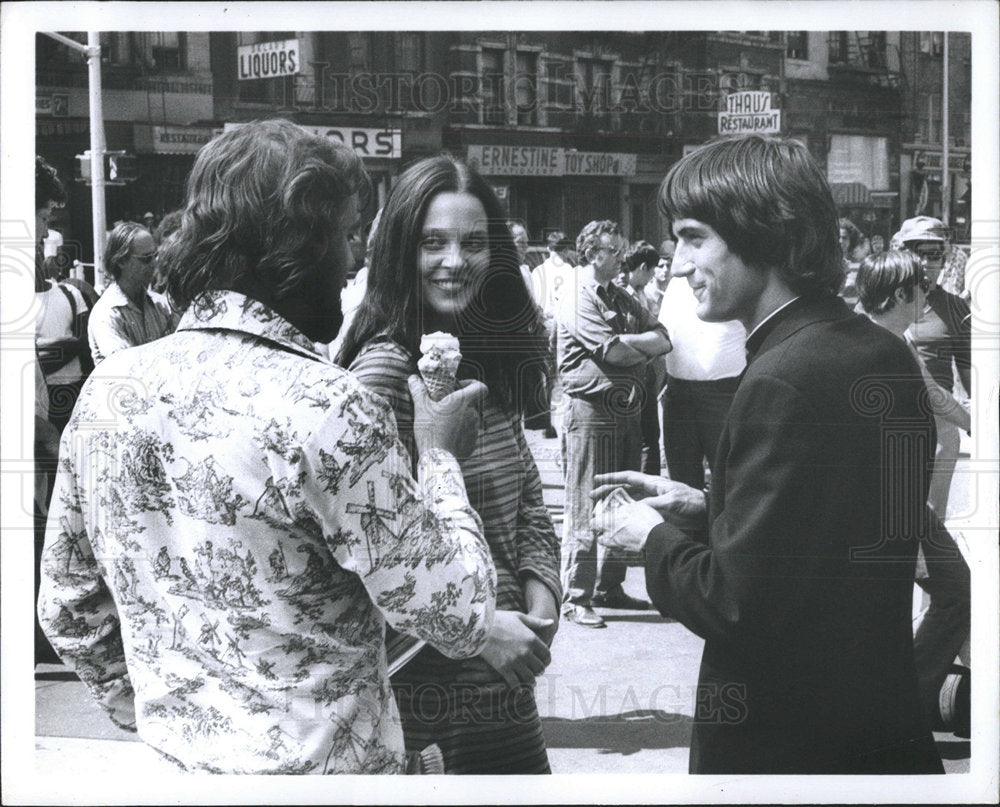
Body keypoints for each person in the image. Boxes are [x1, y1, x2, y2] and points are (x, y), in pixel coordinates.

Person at [38, 120, 499, 775]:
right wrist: (441, 456)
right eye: (344, 235)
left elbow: (68, 608)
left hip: (177, 772)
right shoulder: (327, 406)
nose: (357, 259)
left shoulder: (110, 391)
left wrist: (180, 721)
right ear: (297, 246)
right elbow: (461, 614)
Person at [591, 135, 942, 774]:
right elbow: (832, 539)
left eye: (696, 238)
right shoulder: (880, 355)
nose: (676, 264)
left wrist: (649, 538)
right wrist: (707, 509)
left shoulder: (781, 378)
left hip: (784, 745)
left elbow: (739, 604)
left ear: (762, 231)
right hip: (876, 731)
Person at [337, 156, 560, 775]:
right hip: (426, 698)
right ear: (401, 251)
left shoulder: (491, 354)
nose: (454, 261)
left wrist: (543, 603)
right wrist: (481, 629)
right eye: (432, 243)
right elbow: (357, 558)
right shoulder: (382, 375)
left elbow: (528, 506)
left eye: (473, 243)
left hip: (509, 688)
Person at [856, 250, 971, 735]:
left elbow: (931, 396)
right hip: (889, 502)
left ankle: (900, 702)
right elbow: (931, 395)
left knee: (946, 592)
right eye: (921, 288)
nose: (928, 297)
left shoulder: (884, 337)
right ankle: (900, 709)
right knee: (954, 591)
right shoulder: (875, 344)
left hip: (900, 498)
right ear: (901, 293)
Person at [557, 220, 671, 628]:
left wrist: (633, 346)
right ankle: (576, 595)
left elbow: (663, 336)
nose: (622, 257)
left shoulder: (621, 296)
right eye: (613, 250)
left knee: (622, 500)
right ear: (591, 253)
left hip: (626, 410)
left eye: (622, 249)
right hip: (590, 412)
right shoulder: (576, 294)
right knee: (586, 501)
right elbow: (612, 352)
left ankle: (610, 585)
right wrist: (639, 348)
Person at [896, 216, 972, 519]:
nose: (927, 262)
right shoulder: (881, 299)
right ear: (905, 253)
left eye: (935, 254)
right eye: (919, 252)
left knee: (929, 520)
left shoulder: (955, 307)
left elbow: (969, 374)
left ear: (945, 258)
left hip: (939, 428)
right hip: (888, 418)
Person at [657, 269, 745, 492]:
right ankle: (689, 528)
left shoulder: (735, 276)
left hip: (723, 394)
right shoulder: (677, 282)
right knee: (681, 483)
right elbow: (665, 332)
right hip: (678, 393)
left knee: (728, 478)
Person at [87, 222, 180, 365]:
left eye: (155, 256)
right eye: (146, 258)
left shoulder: (161, 305)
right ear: (121, 261)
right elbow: (127, 367)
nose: (154, 263)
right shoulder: (106, 314)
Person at [622, 240, 669, 476]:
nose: (652, 277)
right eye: (651, 271)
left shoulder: (644, 296)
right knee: (636, 437)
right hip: (630, 375)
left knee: (651, 434)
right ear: (642, 267)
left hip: (647, 374)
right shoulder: (620, 294)